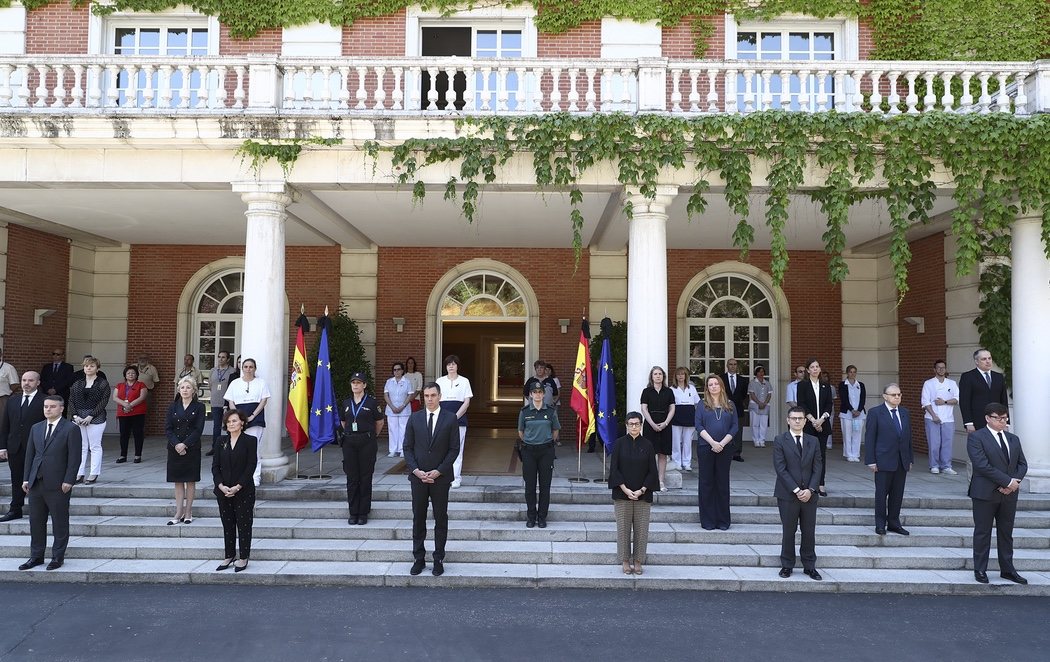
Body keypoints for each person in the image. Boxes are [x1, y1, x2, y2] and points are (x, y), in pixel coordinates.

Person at [403, 382, 460, 576]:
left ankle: (438, 559)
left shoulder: (450, 419)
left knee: (440, 519)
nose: (429, 399)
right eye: (426, 395)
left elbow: (454, 449)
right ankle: (419, 558)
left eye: (433, 395)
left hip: (440, 478)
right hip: (418, 477)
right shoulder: (414, 418)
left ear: (439, 396)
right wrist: (416, 470)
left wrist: (439, 471)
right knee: (418, 518)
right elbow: (407, 447)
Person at [968, 403, 1028, 585]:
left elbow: (1022, 464)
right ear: (988, 418)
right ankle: (980, 569)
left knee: (1006, 533)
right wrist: (1007, 481)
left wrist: (1014, 483)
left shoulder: (1013, 439)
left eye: (1004, 418)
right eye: (998, 418)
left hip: (1009, 494)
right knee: (982, 532)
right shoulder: (976, 438)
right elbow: (981, 465)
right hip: (985, 493)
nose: (1002, 421)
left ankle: (1008, 570)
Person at [19, 395, 81, 571]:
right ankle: (36, 556)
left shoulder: (70, 429)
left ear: (61, 408)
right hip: (36, 483)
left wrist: (69, 480)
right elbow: (30, 455)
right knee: (36, 521)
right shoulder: (36, 428)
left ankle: (57, 557)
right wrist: (26, 478)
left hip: (59, 483)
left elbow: (75, 457)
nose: (48, 409)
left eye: (52, 407)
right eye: (46, 406)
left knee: (59, 522)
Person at [772, 406, 823, 580]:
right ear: (788, 420)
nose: (797, 421)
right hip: (787, 494)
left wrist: (810, 490)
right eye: (793, 418)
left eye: (800, 418)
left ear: (805, 420)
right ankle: (787, 565)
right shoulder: (779, 440)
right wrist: (796, 490)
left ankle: (809, 566)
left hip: (810, 495)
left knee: (809, 531)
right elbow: (780, 468)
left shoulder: (813, 441)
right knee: (789, 530)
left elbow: (818, 468)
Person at [609, 411, 659, 575]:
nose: (634, 427)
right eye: (631, 424)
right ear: (626, 425)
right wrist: (625, 489)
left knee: (641, 529)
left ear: (641, 425)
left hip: (642, 495)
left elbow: (653, 471)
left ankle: (638, 561)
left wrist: (642, 490)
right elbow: (614, 469)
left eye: (637, 424)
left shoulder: (648, 445)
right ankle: (625, 560)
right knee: (623, 529)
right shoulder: (619, 444)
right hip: (623, 494)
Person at [212, 409, 257, 572]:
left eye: (234, 421)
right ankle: (229, 555)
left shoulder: (250, 441)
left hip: (243, 490)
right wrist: (220, 486)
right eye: (229, 421)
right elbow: (215, 466)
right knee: (228, 524)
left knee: (244, 524)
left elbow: (251, 465)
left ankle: (243, 557)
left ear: (242, 423)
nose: (231, 424)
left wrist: (238, 486)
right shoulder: (220, 441)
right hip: (223, 491)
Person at [865, 383, 913, 536]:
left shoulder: (905, 412)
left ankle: (894, 523)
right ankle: (880, 524)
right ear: (885, 396)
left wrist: (909, 458)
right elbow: (870, 437)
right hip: (883, 460)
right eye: (894, 395)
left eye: (899, 394)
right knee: (881, 494)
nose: (897, 397)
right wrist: (871, 460)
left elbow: (908, 438)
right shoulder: (875, 413)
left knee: (897, 494)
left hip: (901, 460)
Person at [695, 374, 739, 530]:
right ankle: (708, 521)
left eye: (716, 384)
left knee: (722, 483)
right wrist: (713, 442)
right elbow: (698, 426)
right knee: (706, 483)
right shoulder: (702, 404)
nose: (713, 386)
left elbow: (734, 427)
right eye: (710, 384)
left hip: (725, 448)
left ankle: (723, 520)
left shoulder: (730, 405)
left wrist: (721, 443)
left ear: (721, 386)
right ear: (707, 388)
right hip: (706, 447)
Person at [0, 372, 45, 522]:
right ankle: (15, 509)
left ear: (37, 382)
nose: (26, 383)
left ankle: (41, 509)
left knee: (39, 479)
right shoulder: (13, 401)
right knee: (16, 479)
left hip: (37, 448)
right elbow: (5, 425)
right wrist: (2, 447)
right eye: (24, 380)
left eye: (31, 380)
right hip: (15, 448)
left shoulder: (45, 400)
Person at [341, 372, 385, 526]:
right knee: (352, 478)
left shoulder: (372, 403)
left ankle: (363, 512)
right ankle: (353, 512)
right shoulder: (346, 403)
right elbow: (343, 421)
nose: (355, 385)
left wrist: (371, 436)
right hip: (350, 443)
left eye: (359, 382)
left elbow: (379, 422)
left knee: (365, 478)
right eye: (353, 382)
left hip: (367, 442)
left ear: (364, 385)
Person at [518, 382, 560, 528]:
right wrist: (532, 442)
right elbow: (521, 432)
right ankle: (531, 516)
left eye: (540, 392)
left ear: (543, 394)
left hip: (546, 452)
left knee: (545, 486)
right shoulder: (524, 412)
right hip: (529, 451)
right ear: (530, 394)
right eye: (534, 392)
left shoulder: (550, 411)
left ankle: (542, 517)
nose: (537, 394)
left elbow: (555, 430)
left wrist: (544, 441)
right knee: (529, 486)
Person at [224, 358, 270, 487]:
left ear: (255, 368)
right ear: (242, 368)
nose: (248, 369)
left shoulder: (261, 383)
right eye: (245, 367)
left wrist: (252, 416)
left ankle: (255, 477)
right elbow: (231, 401)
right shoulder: (235, 383)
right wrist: (239, 417)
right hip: (238, 418)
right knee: (237, 448)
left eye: (251, 367)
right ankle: (239, 476)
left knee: (254, 450)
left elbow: (263, 400)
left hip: (255, 419)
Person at [166, 376, 205, 525]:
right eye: (182, 387)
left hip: (192, 448)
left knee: (190, 480)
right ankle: (178, 512)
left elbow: (198, 429)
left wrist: (185, 444)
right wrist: (177, 444)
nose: (185, 390)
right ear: (178, 390)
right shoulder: (172, 407)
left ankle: (188, 511)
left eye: (188, 387)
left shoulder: (200, 407)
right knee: (177, 481)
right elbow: (168, 429)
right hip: (174, 448)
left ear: (194, 390)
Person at [69, 356, 110, 484]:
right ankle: (79, 473)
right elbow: (71, 400)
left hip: (96, 417)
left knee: (95, 446)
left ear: (97, 368)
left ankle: (93, 473)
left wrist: (90, 416)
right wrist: (75, 416)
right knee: (81, 446)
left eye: (92, 366)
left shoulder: (102, 383)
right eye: (86, 366)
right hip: (79, 418)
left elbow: (103, 401)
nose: (88, 368)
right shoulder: (77, 383)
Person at [797, 358, 833, 496]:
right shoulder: (802, 385)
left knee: (821, 455)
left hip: (822, 425)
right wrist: (813, 421)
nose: (815, 369)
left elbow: (829, 405)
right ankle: (808, 484)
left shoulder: (826, 385)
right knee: (808, 456)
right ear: (808, 370)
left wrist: (821, 420)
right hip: (809, 425)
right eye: (812, 367)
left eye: (817, 366)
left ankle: (821, 484)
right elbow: (802, 404)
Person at [436, 354, 471, 489]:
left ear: (457, 366)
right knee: (441, 449)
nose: (451, 366)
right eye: (449, 364)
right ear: (446, 366)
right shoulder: (440, 381)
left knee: (457, 450)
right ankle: (443, 475)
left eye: (453, 364)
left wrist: (455, 417)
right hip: (442, 420)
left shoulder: (464, 381)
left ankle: (456, 477)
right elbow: (435, 400)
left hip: (459, 420)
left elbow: (467, 402)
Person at [921, 359, 959, 475]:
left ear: (946, 369)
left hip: (948, 418)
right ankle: (934, 465)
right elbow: (925, 402)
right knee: (934, 443)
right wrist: (934, 416)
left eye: (943, 367)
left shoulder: (951, 383)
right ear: (934, 369)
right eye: (938, 367)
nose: (941, 369)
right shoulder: (928, 383)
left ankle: (946, 466)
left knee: (947, 443)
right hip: (932, 418)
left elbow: (956, 399)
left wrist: (945, 402)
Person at [639, 365, 675, 490]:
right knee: (649, 453)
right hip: (650, 424)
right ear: (651, 377)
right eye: (655, 374)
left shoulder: (669, 391)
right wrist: (652, 424)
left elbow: (672, 408)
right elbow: (644, 408)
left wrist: (665, 423)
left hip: (665, 424)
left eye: (660, 374)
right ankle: (649, 482)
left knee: (663, 454)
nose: (658, 376)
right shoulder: (646, 391)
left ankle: (660, 482)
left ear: (663, 376)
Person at [959, 348, 1009, 433]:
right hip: (977, 422)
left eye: (989, 358)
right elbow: (964, 401)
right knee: (979, 446)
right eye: (984, 359)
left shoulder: (998, 377)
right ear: (976, 361)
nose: (988, 361)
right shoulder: (968, 377)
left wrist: (1006, 422)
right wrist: (968, 423)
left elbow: (1004, 401)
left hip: (997, 421)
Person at [113, 365, 148, 464]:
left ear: (137, 375)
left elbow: (142, 397)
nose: (131, 375)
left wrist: (130, 405)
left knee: (138, 434)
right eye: (128, 373)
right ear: (125, 375)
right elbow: (115, 397)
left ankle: (138, 455)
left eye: (133, 373)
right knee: (123, 434)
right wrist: (124, 404)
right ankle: (123, 455)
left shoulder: (141, 385)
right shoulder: (119, 385)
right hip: (123, 413)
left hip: (138, 412)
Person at [670, 367, 700, 472]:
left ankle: (687, 463)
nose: (681, 376)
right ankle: (676, 462)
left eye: (683, 374)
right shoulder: (672, 389)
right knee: (676, 441)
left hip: (689, 417)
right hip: (676, 417)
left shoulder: (691, 388)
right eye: (678, 374)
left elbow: (697, 403)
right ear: (675, 376)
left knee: (688, 441)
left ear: (686, 376)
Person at [207, 351, 235, 455]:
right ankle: (215, 448)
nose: (220, 359)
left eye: (223, 357)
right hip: (215, 401)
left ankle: (230, 447)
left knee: (230, 425)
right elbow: (210, 385)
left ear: (228, 359)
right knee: (216, 426)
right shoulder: (213, 370)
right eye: (219, 357)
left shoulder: (232, 371)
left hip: (227, 402)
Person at [720, 359, 749, 462]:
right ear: (727, 366)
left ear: (737, 366)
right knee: (724, 430)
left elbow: (744, 395)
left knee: (738, 431)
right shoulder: (721, 378)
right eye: (730, 364)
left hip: (738, 408)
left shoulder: (743, 380)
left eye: (734, 364)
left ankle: (737, 453)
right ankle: (724, 451)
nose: (733, 366)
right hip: (724, 408)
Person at [838, 365, 867, 463]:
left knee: (857, 434)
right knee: (847, 434)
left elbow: (863, 399)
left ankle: (856, 454)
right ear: (847, 373)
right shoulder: (843, 384)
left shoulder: (861, 385)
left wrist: (858, 410)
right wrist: (852, 410)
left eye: (854, 372)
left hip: (859, 413)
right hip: (847, 413)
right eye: (850, 372)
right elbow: (844, 399)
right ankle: (848, 454)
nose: (852, 374)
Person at [383, 362, 412, 458]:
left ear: (402, 370)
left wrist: (403, 406)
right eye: (394, 370)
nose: (396, 371)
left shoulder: (407, 381)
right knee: (392, 430)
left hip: (404, 409)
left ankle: (402, 450)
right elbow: (386, 395)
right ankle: (393, 450)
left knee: (403, 430)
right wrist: (392, 406)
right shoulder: (389, 382)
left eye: (398, 369)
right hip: (391, 410)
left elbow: (410, 395)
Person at [747, 365, 773, 448]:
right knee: (755, 424)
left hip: (765, 406)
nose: (761, 373)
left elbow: (769, 394)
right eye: (759, 371)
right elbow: (752, 394)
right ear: (756, 373)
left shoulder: (767, 383)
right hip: (755, 405)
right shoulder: (752, 382)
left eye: (762, 371)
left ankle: (762, 440)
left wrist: (764, 403)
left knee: (763, 424)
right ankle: (756, 440)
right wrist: (759, 403)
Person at [0, 349, 19, 434]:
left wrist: (7, 393)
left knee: (2, 421)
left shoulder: (8, 368)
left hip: (2, 399)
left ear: (1, 354)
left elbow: (15, 384)